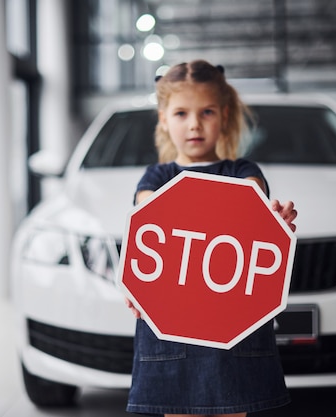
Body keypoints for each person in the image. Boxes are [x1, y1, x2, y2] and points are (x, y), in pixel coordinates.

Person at [125, 60, 297, 417]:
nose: (194, 124)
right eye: (181, 113)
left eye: (206, 112)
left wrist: (269, 222)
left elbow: (250, 201)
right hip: (172, 325)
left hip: (231, 328)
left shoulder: (244, 171)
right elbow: (149, 218)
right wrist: (139, 284)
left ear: (225, 115)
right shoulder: (155, 177)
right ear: (163, 118)